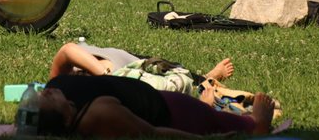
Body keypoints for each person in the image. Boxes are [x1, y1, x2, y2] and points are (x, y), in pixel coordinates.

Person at [37, 75, 276, 138]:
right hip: (174, 114)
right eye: (47, 100)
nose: (45, 93)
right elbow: (152, 133)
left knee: (205, 109)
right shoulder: (98, 115)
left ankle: (209, 108)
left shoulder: (56, 87)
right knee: (220, 121)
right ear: (67, 117)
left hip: (151, 97)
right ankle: (255, 124)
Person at [49, 42, 234, 96]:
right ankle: (208, 78)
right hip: (128, 72)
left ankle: (205, 77)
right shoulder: (88, 106)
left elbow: (67, 50)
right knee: (173, 82)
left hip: (111, 60)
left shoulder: (55, 86)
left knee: (168, 68)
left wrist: (105, 75)